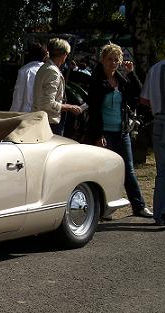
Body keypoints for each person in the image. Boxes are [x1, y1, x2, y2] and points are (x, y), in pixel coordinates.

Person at [86, 43, 152, 218]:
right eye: (110, 59)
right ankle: (105, 209)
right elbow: (93, 111)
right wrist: (97, 135)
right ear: (102, 60)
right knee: (105, 171)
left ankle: (139, 206)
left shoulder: (121, 80)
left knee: (128, 170)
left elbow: (138, 93)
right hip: (104, 132)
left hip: (122, 131)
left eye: (116, 60)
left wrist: (131, 73)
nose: (113, 63)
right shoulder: (96, 82)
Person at [32, 38, 82, 135]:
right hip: (48, 123)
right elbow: (48, 103)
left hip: (42, 120)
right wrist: (69, 107)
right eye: (67, 54)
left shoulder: (45, 67)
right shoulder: (52, 71)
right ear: (64, 54)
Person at [140, 57, 165, 224]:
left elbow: (144, 100)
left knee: (161, 171)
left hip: (158, 121)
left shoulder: (155, 68)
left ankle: (159, 213)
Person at [10, 43, 48, 112]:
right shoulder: (48, 71)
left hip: (26, 112)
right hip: (43, 112)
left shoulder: (25, 71)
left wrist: (12, 114)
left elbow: (18, 97)